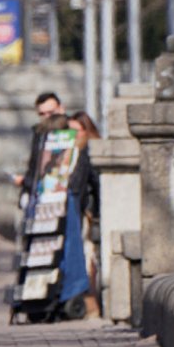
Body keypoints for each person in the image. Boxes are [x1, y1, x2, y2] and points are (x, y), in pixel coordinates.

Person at [69, 111, 103, 319]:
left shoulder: (88, 150)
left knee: (90, 257)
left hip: (88, 214)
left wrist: (94, 212)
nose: (72, 135)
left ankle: (92, 304)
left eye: (76, 131)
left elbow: (94, 184)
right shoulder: (72, 151)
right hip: (81, 212)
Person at [17, 91, 66, 204]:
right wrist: (26, 188)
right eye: (42, 114)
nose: (47, 117)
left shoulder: (70, 130)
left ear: (61, 109)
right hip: (41, 193)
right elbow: (34, 165)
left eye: (51, 112)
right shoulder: (39, 133)